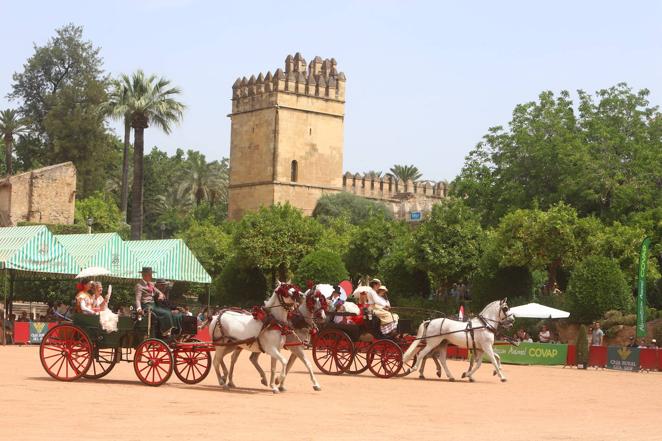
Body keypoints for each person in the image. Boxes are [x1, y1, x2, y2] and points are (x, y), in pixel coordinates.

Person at [135, 267, 178, 337]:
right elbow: (137, 299)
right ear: (144, 275)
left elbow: (159, 292)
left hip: (153, 305)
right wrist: (139, 309)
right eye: (150, 274)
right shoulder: (139, 286)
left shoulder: (151, 284)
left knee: (168, 311)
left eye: (151, 274)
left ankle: (170, 330)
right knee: (166, 313)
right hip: (147, 306)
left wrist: (160, 295)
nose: (151, 276)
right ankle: (165, 331)